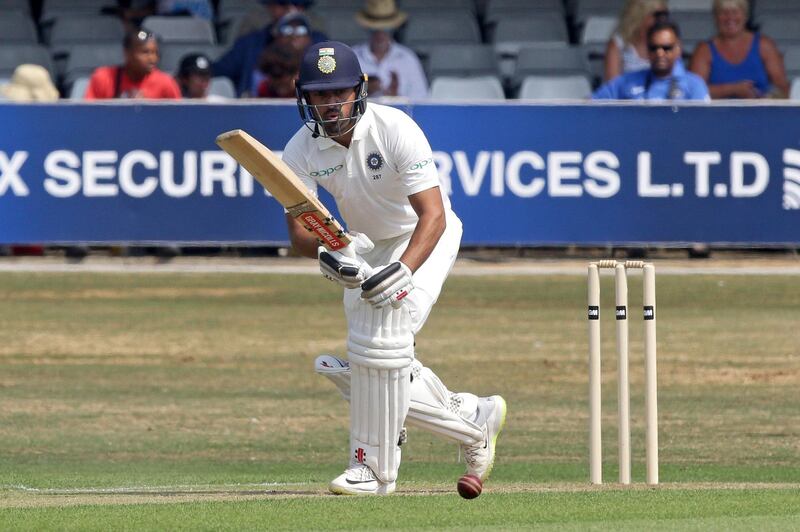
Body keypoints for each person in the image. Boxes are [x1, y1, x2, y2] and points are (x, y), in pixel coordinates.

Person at [280, 41, 507, 495]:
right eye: (319, 95)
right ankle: (471, 419)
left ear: (360, 90)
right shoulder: (299, 150)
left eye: (338, 92)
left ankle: (374, 472)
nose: (330, 104)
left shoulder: (395, 128)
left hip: (422, 239)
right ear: (305, 98)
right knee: (373, 359)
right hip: (363, 245)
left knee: (384, 341)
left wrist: (403, 270)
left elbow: (435, 214)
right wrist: (333, 259)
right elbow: (302, 235)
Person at [213, 0, 326, 96]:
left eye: (297, 4)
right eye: (282, 4)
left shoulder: (320, 44)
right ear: (270, 6)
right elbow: (217, 70)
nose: (290, 10)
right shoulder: (250, 44)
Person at [689, 0, 789, 99]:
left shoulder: (764, 45)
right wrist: (734, 89)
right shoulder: (704, 50)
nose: (730, 17)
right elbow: (695, 92)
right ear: (715, 17)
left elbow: (782, 87)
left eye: (735, 12)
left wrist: (766, 98)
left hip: (761, 113)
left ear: (745, 16)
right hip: (716, 114)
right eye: (724, 13)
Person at [594, 20, 710, 101]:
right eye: (653, 48)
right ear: (647, 51)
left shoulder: (694, 85)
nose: (659, 53)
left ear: (678, 50)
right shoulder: (628, 81)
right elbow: (590, 105)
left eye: (666, 48)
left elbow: (703, 125)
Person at [352, 0, 428, 99]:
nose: (380, 34)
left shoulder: (407, 58)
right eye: (375, 29)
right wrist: (363, 90)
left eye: (385, 29)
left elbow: (421, 98)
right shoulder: (353, 56)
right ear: (367, 29)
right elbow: (343, 98)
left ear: (393, 29)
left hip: (399, 113)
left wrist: (396, 98)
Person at [85, 30, 181, 99]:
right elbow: (88, 115)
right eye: (145, 52)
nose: (152, 58)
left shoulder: (165, 83)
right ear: (127, 53)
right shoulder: (104, 78)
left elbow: (178, 119)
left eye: (155, 53)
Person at [603, 0, 670, 82]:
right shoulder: (618, 44)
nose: (662, 20)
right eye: (657, 15)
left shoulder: (669, 41)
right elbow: (612, 89)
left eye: (664, 15)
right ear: (641, 15)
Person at [250, 12, 311, 96]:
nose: (293, 35)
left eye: (301, 30)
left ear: (308, 38)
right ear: (277, 37)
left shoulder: (316, 70)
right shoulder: (261, 75)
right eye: (287, 30)